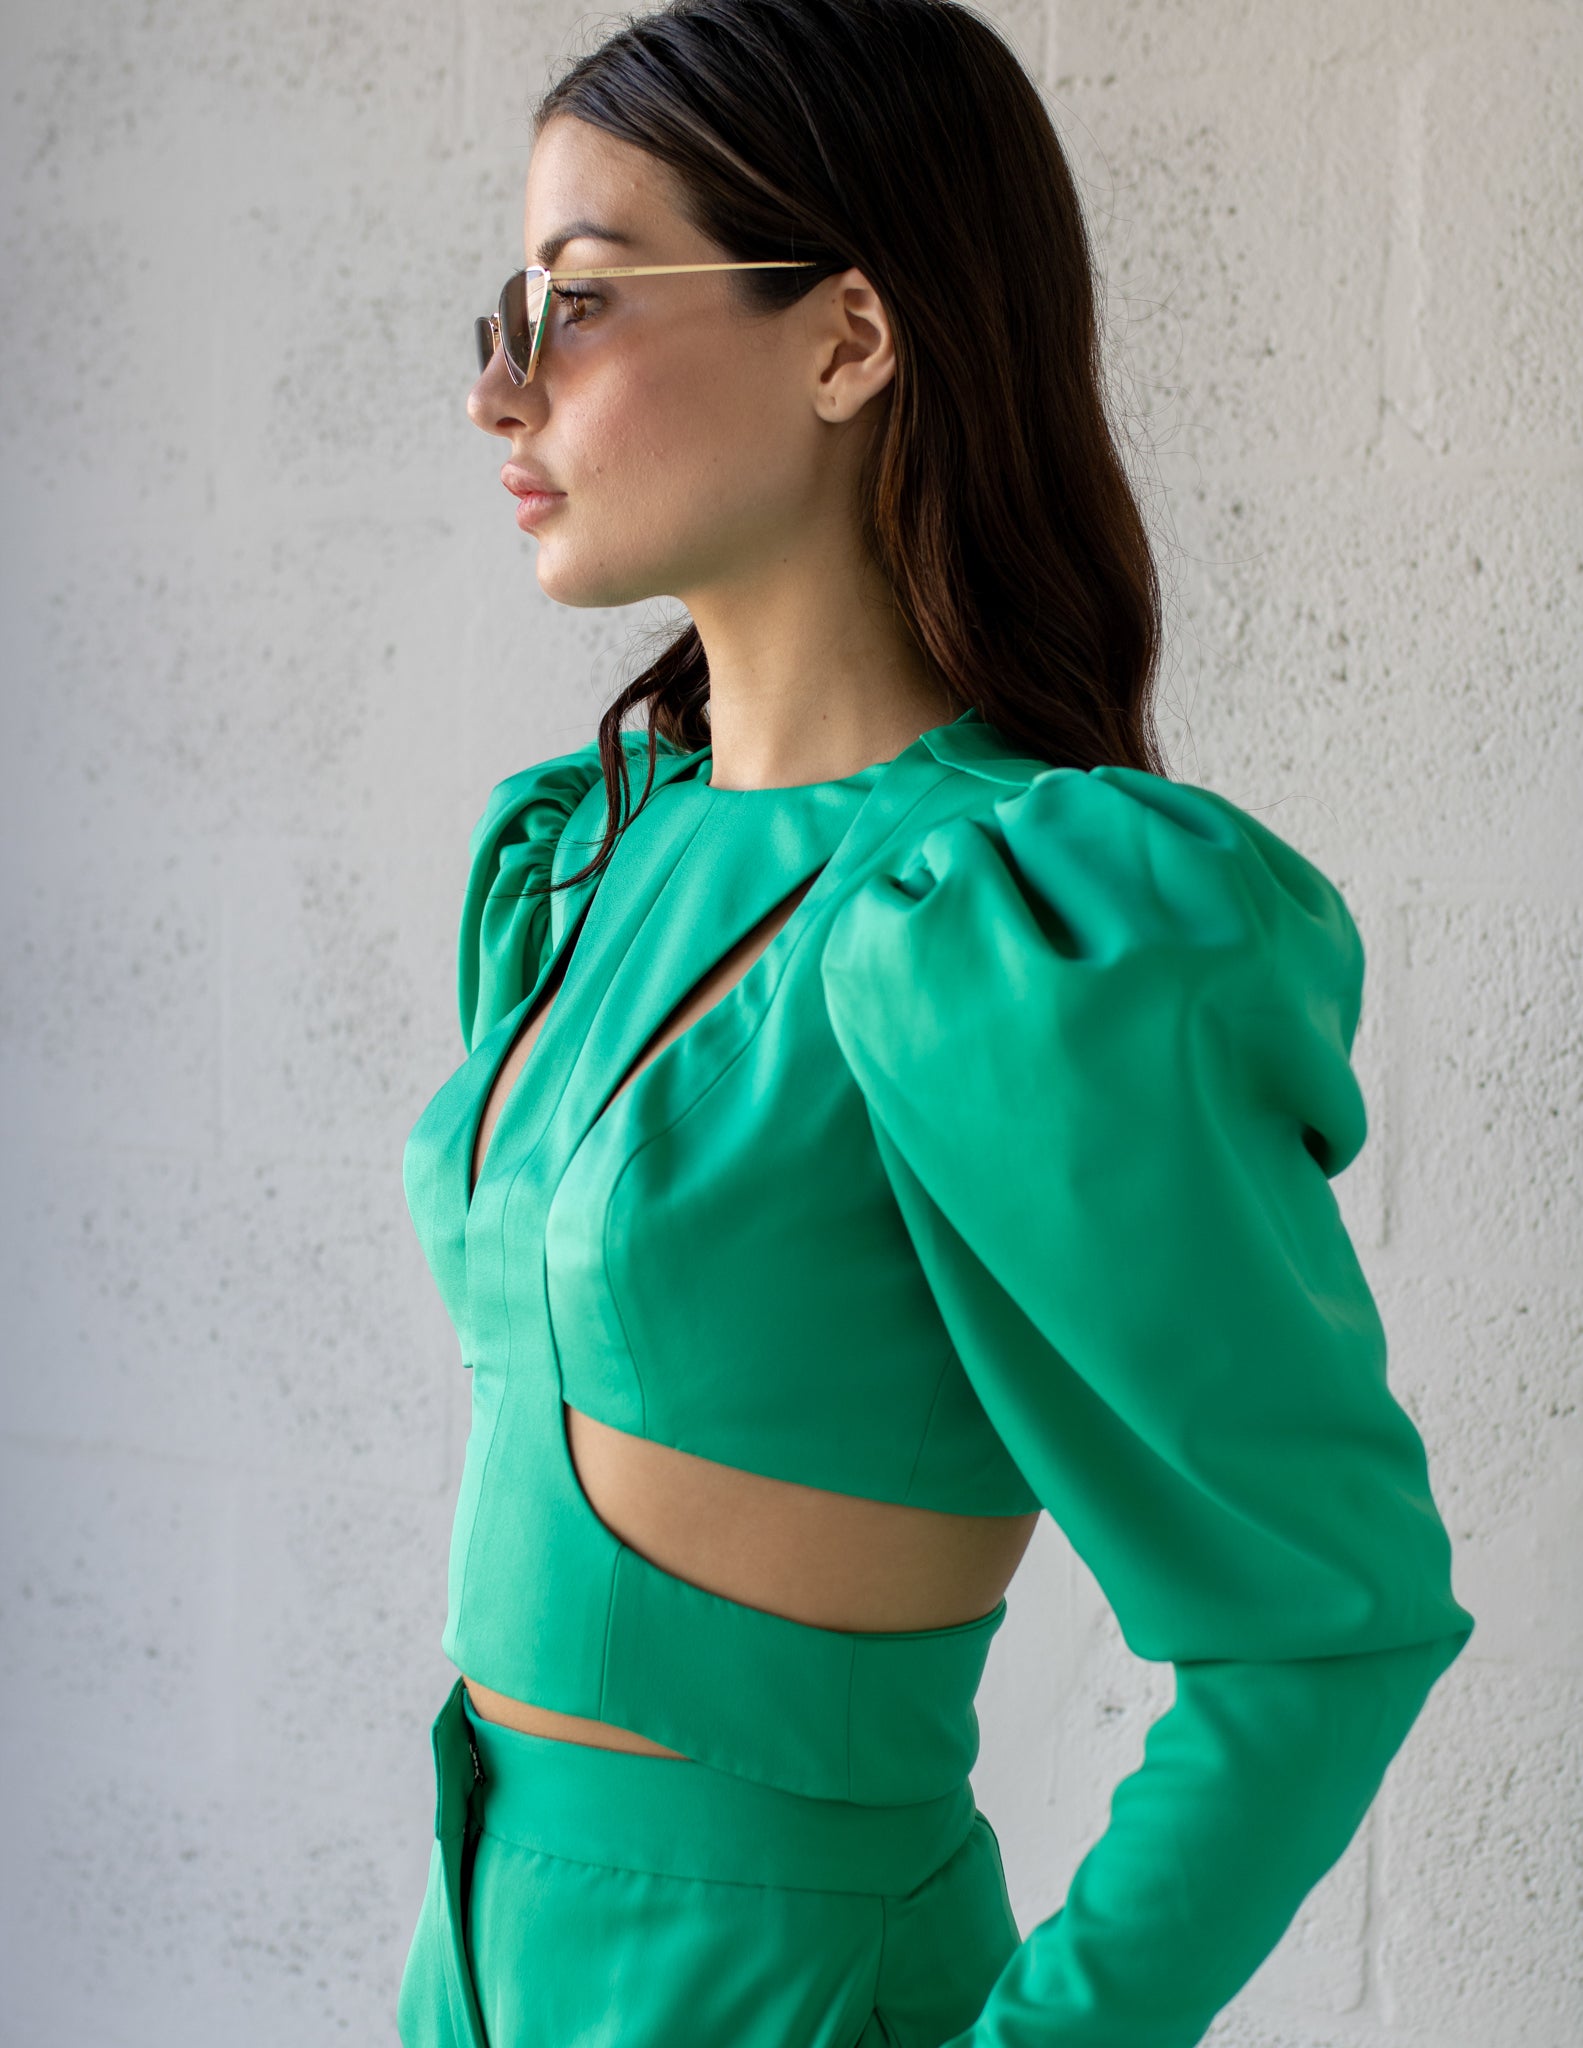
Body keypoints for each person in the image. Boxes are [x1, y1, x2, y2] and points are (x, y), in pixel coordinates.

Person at [395, 4, 1475, 2044]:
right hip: (468, 1960)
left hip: (790, 1989)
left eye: (584, 301)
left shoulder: (1013, 934)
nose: (499, 388)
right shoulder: (582, 859)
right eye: (510, 310)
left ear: (849, 339)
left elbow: (1325, 1629)